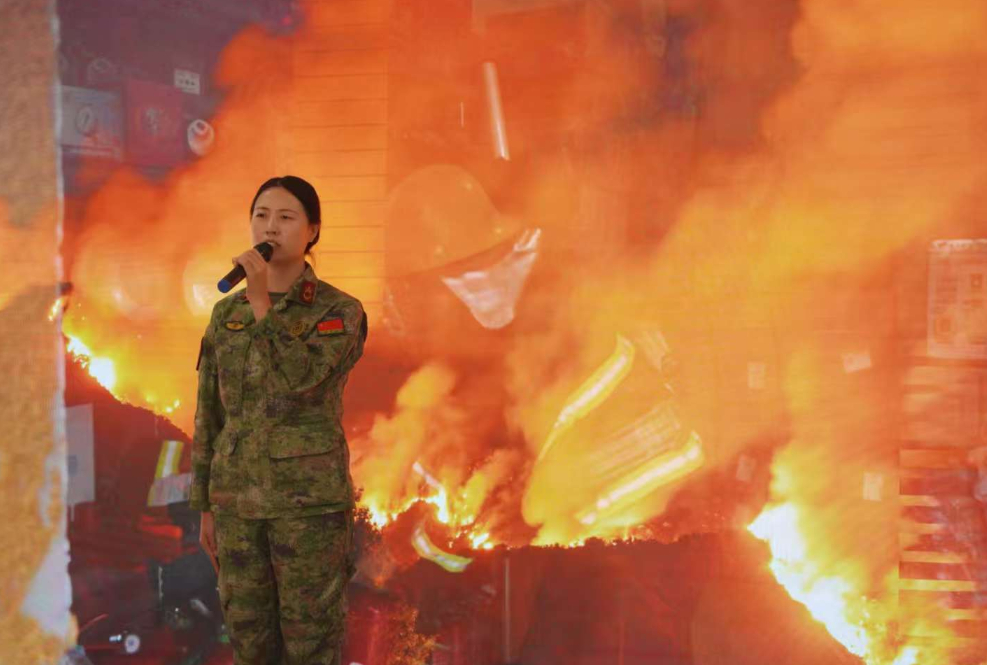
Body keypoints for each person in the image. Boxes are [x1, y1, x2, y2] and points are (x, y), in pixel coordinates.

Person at [189, 175, 368, 665]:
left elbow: (300, 378)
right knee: (248, 642)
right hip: (236, 507)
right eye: (261, 215)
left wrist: (263, 303)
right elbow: (210, 413)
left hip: (307, 510)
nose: (271, 227)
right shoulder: (226, 314)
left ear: (312, 231)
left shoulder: (339, 312)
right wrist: (205, 505)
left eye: (286, 217)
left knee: (310, 643)